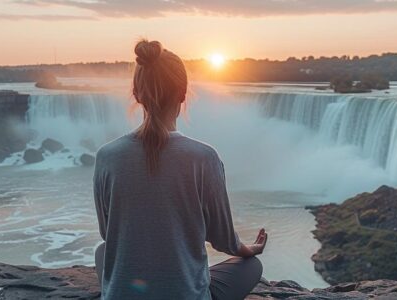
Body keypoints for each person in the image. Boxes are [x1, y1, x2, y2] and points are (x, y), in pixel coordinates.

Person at [93, 39, 268, 300]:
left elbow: (108, 233)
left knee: (101, 251)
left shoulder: (107, 157)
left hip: (122, 294)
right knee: (252, 266)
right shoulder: (203, 158)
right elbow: (223, 239)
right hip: (185, 295)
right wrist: (249, 249)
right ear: (183, 94)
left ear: (137, 93)